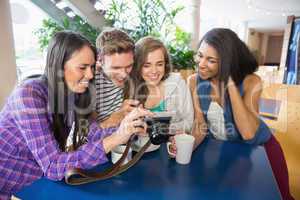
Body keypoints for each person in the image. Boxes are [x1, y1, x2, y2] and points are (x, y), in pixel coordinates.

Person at [0, 31, 152, 199]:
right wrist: (116, 137)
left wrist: (128, 128)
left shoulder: (73, 94)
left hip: (34, 181)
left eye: (92, 67)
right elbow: (53, 166)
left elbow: (89, 132)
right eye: (82, 67)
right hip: (9, 180)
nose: (90, 75)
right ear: (58, 65)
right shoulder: (28, 94)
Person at [170, 28, 294, 200]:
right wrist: (186, 148)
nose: (201, 64)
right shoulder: (194, 81)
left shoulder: (252, 81)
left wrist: (229, 82)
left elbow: (248, 133)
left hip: (262, 152)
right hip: (223, 153)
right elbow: (200, 126)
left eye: (211, 60)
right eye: (200, 56)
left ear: (227, 62)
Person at [132, 36, 194, 135]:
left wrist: (156, 129)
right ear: (137, 66)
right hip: (140, 149)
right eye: (147, 65)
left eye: (159, 64)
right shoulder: (131, 87)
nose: (154, 71)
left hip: (170, 147)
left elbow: (189, 122)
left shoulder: (178, 84)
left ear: (166, 64)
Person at [93, 28, 139, 128]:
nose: (124, 75)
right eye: (116, 68)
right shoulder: (88, 82)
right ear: (100, 60)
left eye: (128, 66)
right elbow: (84, 137)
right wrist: (116, 117)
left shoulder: (134, 74)